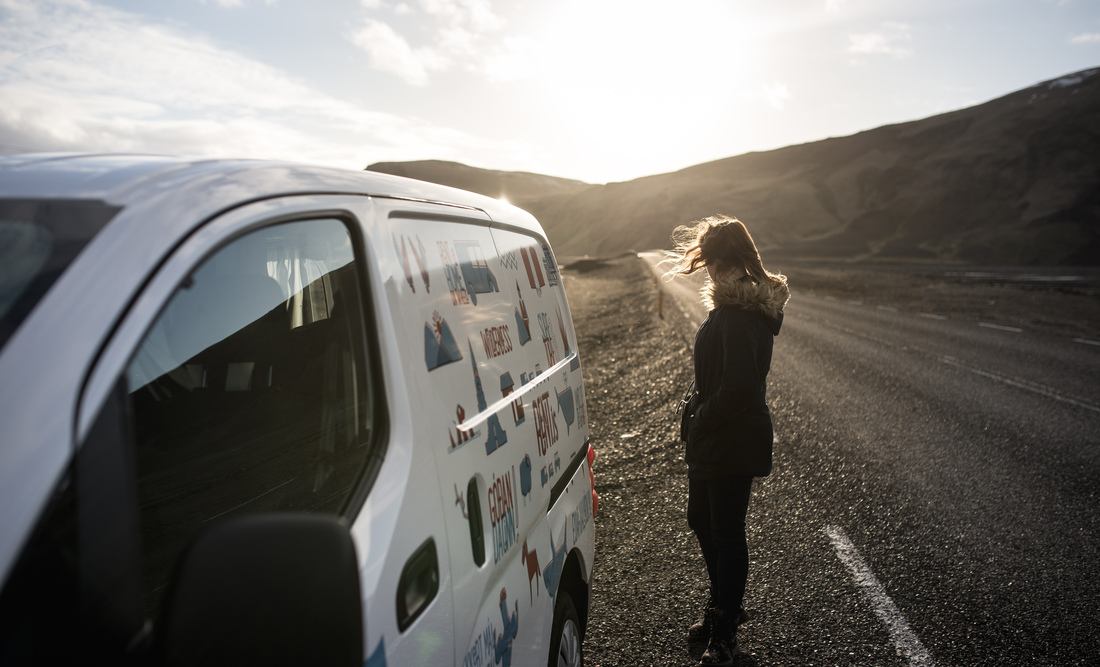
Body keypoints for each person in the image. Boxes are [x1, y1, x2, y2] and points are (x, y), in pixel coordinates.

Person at [667, 215, 789, 665]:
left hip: (730, 440)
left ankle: (725, 633)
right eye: (709, 262)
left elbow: (739, 389)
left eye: (720, 262)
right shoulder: (732, 308)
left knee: (726, 531)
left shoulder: (739, 316)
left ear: (737, 262)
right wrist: (697, 412)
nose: (713, 270)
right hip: (719, 438)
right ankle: (725, 608)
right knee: (702, 518)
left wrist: (700, 417)